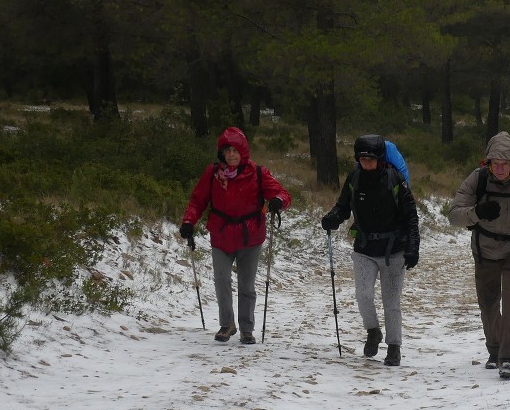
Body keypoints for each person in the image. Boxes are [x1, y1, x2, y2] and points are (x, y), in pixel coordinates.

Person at [447, 131, 510, 380]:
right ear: (488, 163)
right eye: (496, 163)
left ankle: (507, 359)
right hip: (484, 252)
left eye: (505, 163)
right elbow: (454, 215)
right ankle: (494, 351)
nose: (500, 169)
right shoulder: (478, 179)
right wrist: (477, 212)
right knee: (488, 303)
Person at [179, 126, 292, 345]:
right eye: (227, 150)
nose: (231, 155)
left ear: (243, 152)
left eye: (235, 150)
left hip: (250, 236)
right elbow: (197, 201)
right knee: (222, 281)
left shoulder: (258, 173)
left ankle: (247, 329)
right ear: (221, 153)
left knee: (246, 286)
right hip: (221, 235)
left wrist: (277, 201)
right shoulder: (212, 173)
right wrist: (188, 222)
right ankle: (227, 325)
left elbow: (282, 194)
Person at [320, 134, 420, 366]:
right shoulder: (355, 177)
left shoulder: (395, 180)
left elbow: (410, 216)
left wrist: (412, 246)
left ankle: (394, 347)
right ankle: (373, 331)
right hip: (364, 248)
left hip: (393, 250)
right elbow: (343, 206)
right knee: (363, 296)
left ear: (380, 158)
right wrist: (333, 217)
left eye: (371, 158)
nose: (366, 163)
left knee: (391, 302)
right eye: (362, 158)